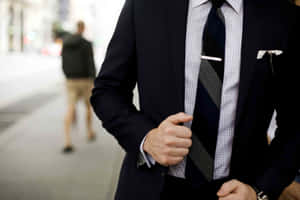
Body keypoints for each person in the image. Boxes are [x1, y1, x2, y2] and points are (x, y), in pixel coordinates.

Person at [91, 0, 300, 199]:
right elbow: (107, 90)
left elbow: (295, 125)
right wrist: (147, 138)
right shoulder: (145, 5)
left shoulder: (283, 16)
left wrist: (259, 191)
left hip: (239, 190)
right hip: (153, 188)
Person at [62, 21, 96, 153]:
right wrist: (93, 79)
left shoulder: (66, 43)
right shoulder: (87, 44)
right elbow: (90, 62)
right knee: (88, 107)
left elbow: (63, 61)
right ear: (83, 28)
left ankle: (67, 141)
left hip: (71, 80)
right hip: (85, 80)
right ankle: (89, 132)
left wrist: (67, 74)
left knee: (70, 108)